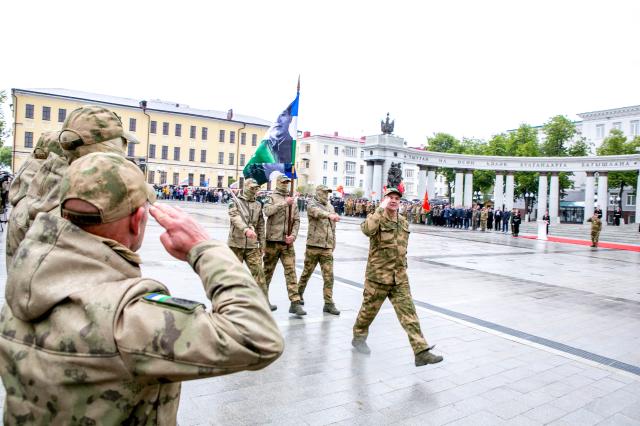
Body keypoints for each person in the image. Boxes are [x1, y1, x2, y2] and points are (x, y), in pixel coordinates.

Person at [0, 152, 284, 424]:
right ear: (138, 221)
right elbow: (257, 337)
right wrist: (203, 248)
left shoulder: (23, 283)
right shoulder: (126, 321)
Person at [352, 187, 443, 367]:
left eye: (396, 198)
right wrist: (379, 209)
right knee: (367, 313)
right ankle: (358, 337)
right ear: (384, 200)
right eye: (390, 198)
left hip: (399, 278)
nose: (393, 200)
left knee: (409, 314)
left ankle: (421, 351)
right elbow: (367, 230)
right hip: (378, 277)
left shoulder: (403, 222)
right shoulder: (376, 217)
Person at [227, 178, 275, 310]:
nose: (254, 190)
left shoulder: (258, 204)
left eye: (256, 188)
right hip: (236, 243)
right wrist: (245, 229)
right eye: (252, 188)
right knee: (233, 276)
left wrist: (263, 243)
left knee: (259, 274)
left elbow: (260, 225)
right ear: (246, 187)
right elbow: (234, 217)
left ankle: (264, 302)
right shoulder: (234, 201)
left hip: (252, 246)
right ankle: (229, 304)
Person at [263, 174, 306, 315]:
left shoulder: (292, 200)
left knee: (291, 272)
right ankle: (262, 301)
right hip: (272, 241)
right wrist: (284, 203)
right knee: (267, 273)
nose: (286, 184)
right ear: (278, 183)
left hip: (287, 243)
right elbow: (267, 211)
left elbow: (297, 220)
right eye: (283, 182)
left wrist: (293, 235)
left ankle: (295, 302)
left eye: (287, 182)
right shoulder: (272, 197)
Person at [297, 185, 341, 315]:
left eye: (327, 193)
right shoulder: (311, 204)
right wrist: (330, 215)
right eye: (324, 192)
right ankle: (298, 295)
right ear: (318, 192)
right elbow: (316, 212)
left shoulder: (330, 206)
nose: (326, 195)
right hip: (313, 246)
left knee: (329, 276)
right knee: (306, 273)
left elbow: (332, 227)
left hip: (326, 247)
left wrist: (333, 242)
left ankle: (328, 303)